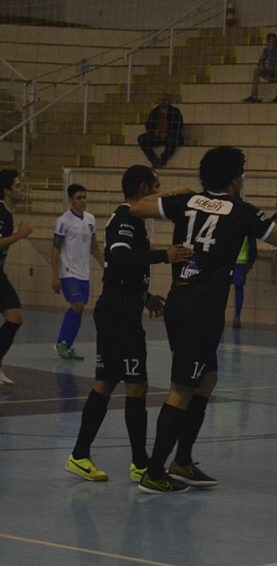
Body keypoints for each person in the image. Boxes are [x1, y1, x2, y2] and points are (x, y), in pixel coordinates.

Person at [129, 147, 277, 493]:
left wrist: (172, 195)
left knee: (206, 379)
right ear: (235, 179)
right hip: (202, 308)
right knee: (182, 388)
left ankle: (182, 461)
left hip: (181, 299)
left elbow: (136, 207)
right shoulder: (241, 212)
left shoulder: (186, 202)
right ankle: (154, 471)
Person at [64, 165, 193, 483]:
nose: (158, 194)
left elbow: (117, 269)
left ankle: (80, 455)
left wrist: (145, 295)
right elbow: (119, 257)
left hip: (121, 308)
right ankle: (138, 462)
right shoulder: (125, 219)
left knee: (107, 383)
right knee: (136, 385)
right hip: (118, 315)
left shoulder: (133, 221)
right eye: (156, 188)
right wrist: (166, 255)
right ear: (142, 188)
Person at [51, 184, 103, 360]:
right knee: (77, 305)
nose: (83, 201)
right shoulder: (63, 221)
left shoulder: (90, 219)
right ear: (71, 200)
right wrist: (55, 275)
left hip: (84, 273)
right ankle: (61, 343)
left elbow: (94, 245)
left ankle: (69, 345)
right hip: (68, 271)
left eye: (84, 197)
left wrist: (105, 265)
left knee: (80, 309)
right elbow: (56, 249)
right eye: (79, 198)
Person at [0, 169, 32, 385]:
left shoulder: (7, 214)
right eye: (18, 186)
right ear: (7, 190)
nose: (22, 190)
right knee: (14, 315)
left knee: (14, 316)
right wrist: (19, 236)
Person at [137, 94, 184, 168]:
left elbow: (178, 126)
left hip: (169, 137)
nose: (163, 102)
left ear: (168, 101)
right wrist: (154, 132)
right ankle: (153, 159)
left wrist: (167, 133)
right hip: (157, 138)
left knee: (175, 138)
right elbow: (149, 125)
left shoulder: (175, 112)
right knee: (141, 138)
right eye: (161, 100)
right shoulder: (154, 112)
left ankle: (163, 159)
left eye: (164, 100)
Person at [242, 33, 277, 103]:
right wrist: (263, 67)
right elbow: (260, 62)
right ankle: (254, 96)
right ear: (267, 42)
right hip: (270, 73)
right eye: (271, 42)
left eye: (274, 41)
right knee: (256, 71)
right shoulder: (266, 50)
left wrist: (270, 67)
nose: (273, 43)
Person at [231, 235, 257, 328]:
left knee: (238, 288)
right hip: (227, 260)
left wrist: (250, 262)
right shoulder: (228, 225)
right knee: (223, 288)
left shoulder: (247, 227)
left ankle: (237, 316)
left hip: (240, 262)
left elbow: (253, 246)